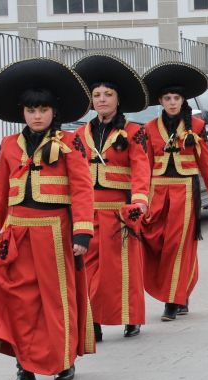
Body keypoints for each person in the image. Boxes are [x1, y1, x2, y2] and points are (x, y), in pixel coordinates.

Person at [0, 58, 95, 380]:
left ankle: (64, 359)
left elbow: (81, 190)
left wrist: (82, 233)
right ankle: (24, 370)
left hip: (55, 233)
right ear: (23, 112)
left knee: (56, 300)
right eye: (31, 109)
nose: (37, 115)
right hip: (16, 235)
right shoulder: (8, 146)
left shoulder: (69, 143)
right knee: (20, 303)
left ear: (53, 112)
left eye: (43, 109)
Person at [73, 54, 150, 341]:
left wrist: (140, 199)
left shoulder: (134, 132)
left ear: (118, 99)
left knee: (123, 267)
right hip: (87, 210)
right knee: (88, 267)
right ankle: (92, 320)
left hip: (120, 210)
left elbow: (142, 167)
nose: (102, 99)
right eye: (96, 95)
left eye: (108, 94)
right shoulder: (79, 134)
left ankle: (131, 317)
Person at [142, 61, 208, 321]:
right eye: (167, 98)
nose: (172, 103)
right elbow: (143, 167)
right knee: (158, 244)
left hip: (185, 194)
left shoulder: (196, 126)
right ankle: (182, 290)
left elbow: (206, 165)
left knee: (178, 246)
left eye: (176, 98)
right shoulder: (149, 128)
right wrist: (140, 198)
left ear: (182, 100)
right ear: (160, 101)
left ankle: (172, 301)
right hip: (157, 195)